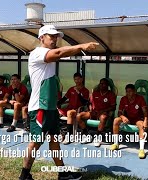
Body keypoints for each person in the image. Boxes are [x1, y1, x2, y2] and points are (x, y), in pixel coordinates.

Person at [19, 24, 98, 180]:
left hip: (50, 108)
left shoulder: (47, 54)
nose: (54, 39)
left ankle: (62, 173)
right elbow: (60, 52)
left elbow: (58, 53)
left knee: (54, 140)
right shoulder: (38, 53)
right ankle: (24, 176)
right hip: (40, 107)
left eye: (56, 36)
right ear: (41, 37)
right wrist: (82, 46)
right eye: (51, 36)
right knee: (36, 143)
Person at [110, 84, 148, 159]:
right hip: (128, 119)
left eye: (130, 91)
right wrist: (123, 117)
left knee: (141, 125)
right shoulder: (123, 99)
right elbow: (119, 112)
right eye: (127, 91)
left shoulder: (140, 98)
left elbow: (145, 112)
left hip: (138, 119)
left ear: (134, 91)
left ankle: (141, 149)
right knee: (116, 120)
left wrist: (146, 120)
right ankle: (116, 144)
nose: (128, 93)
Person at [76, 78, 116, 147]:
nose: (101, 85)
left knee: (103, 117)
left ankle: (97, 137)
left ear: (107, 85)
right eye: (100, 83)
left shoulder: (111, 94)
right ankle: (87, 135)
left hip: (103, 113)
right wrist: (90, 108)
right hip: (93, 112)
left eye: (103, 84)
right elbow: (89, 103)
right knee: (79, 116)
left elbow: (113, 107)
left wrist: (103, 111)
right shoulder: (95, 93)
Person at [57, 72, 89, 145]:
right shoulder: (71, 89)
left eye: (78, 79)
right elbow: (64, 99)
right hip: (69, 109)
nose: (77, 81)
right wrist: (56, 104)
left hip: (79, 110)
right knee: (55, 111)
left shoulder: (85, 90)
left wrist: (78, 93)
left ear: (82, 79)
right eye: (75, 79)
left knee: (69, 113)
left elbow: (84, 103)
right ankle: (61, 133)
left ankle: (69, 136)